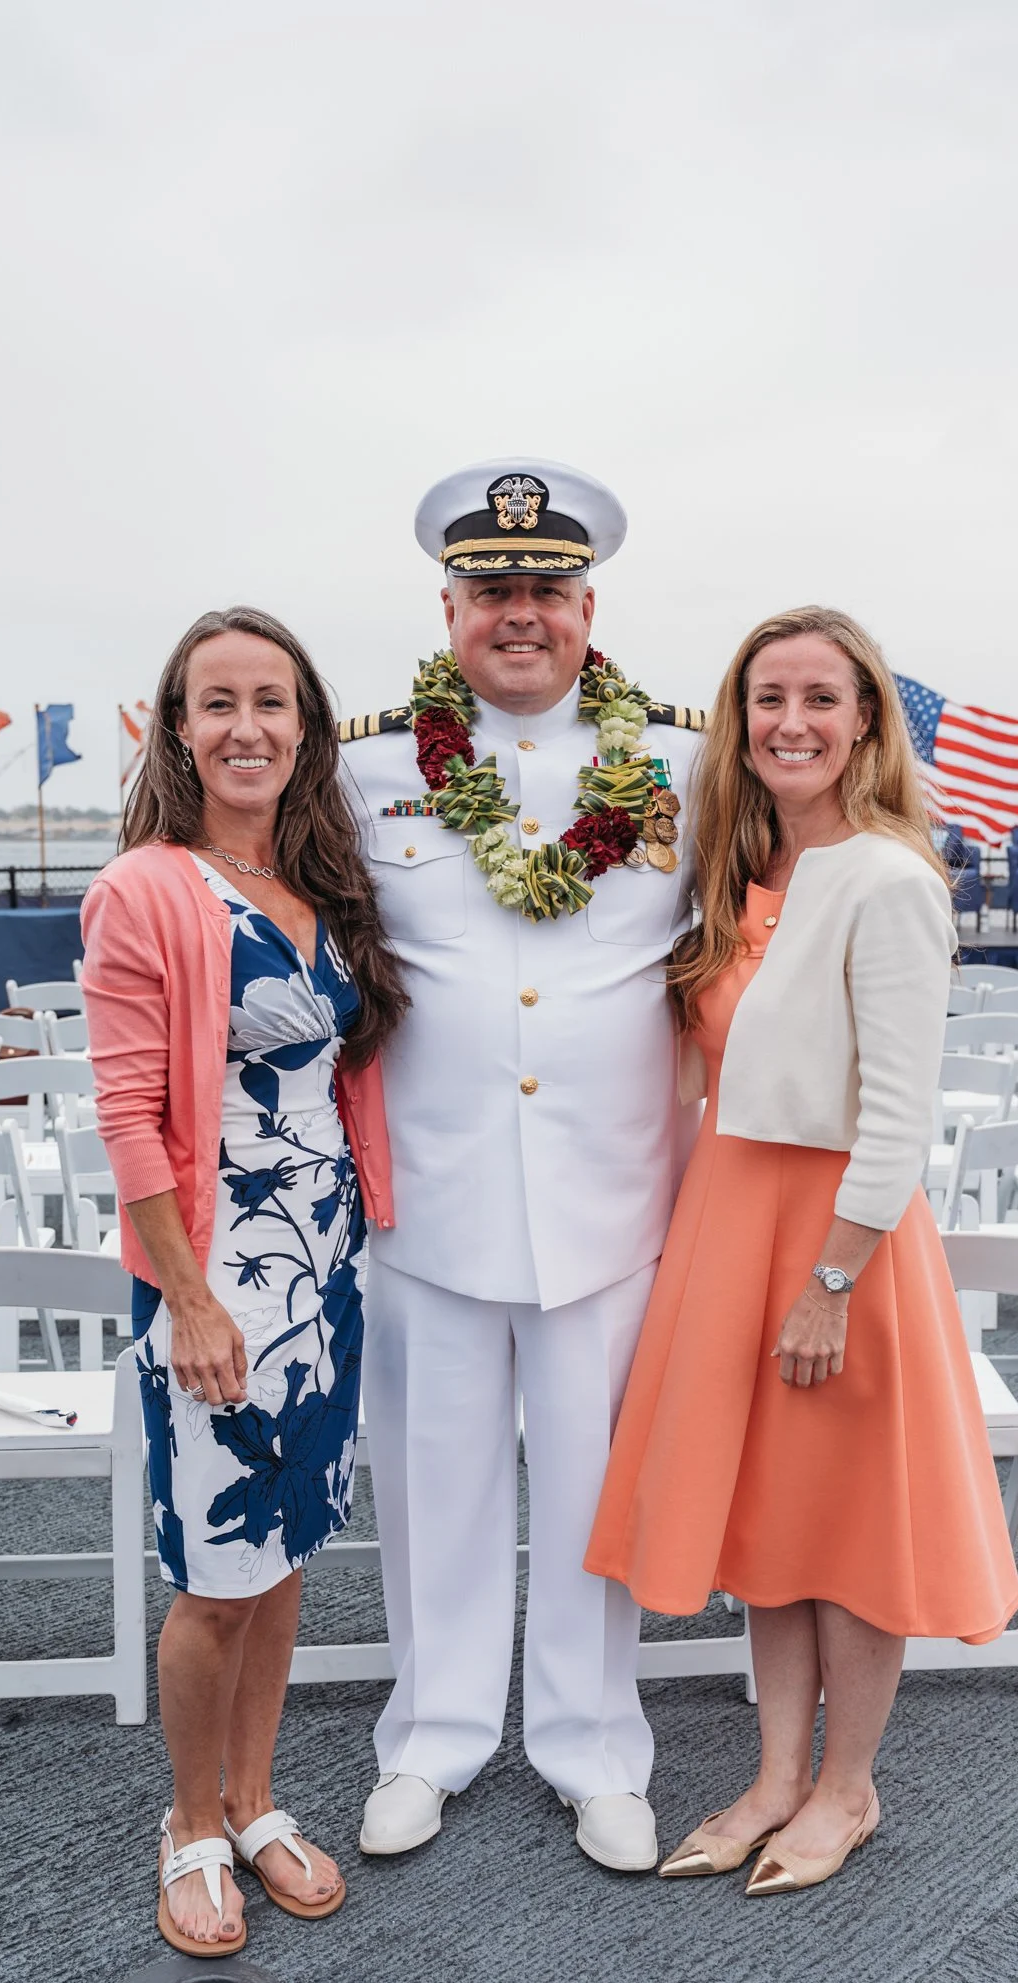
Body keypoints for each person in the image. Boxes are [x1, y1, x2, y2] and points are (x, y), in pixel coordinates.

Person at [585, 605, 1018, 1895]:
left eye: (822, 699)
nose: (792, 722)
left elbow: (900, 1111)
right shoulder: (739, 876)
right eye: (768, 698)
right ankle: (777, 1774)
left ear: (868, 720)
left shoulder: (889, 880)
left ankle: (849, 1788)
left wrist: (833, 1278)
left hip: (842, 1243)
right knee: (769, 1519)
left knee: (848, 1528)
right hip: (735, 1223)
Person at [338, 460, 706, 1871]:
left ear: (588, 604)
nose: (521, 615)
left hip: (610, 1198)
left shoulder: (679, 763)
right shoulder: (368, 769)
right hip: (429, 1199)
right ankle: (430, 1740)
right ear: (449, 606)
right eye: (493, 591)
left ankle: (594, 1745)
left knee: (592, 1490)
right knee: (434, 1486)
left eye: (546, 590)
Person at [81, 605, 406, 1954]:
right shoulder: (147, 888)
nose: (247, 727)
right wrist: (193, 1301)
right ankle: (189, 1824)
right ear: (177, 731)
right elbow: (128, 1117)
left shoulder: (325, 891)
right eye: (217, 703)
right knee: (215, 1572)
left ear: (305, 727)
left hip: (324, 1267)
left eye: (270, 701)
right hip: (213, 1274)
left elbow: (341, 1080)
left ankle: (258, 1798)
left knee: (283, 1556)